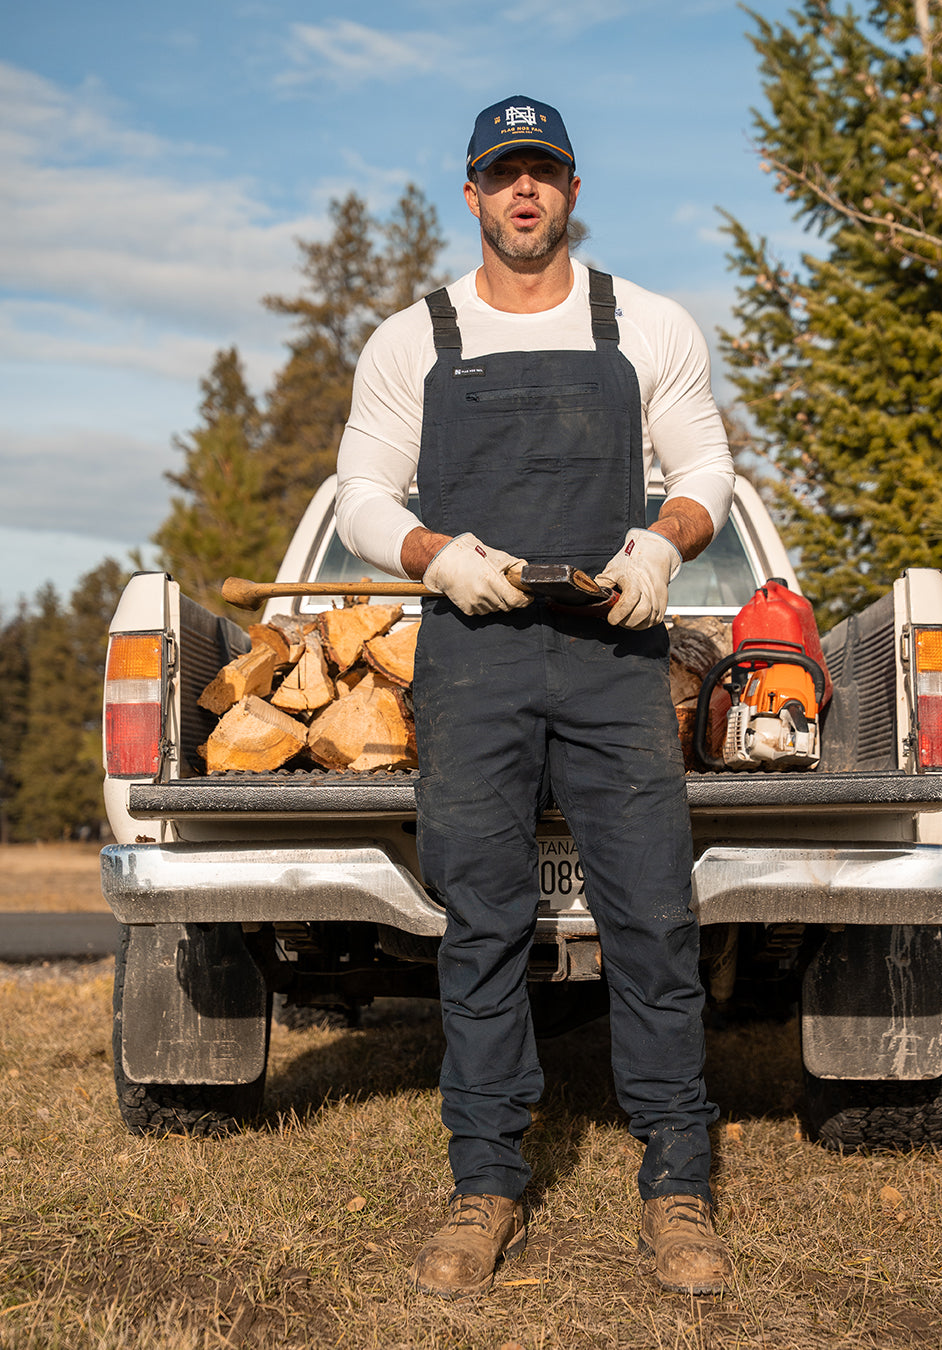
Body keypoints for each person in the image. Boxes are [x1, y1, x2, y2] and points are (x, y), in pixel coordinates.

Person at [336, 95, 736, 1299]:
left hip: (615, 658)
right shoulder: (416, 338)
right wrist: (436, 556)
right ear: (472, 193)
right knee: (485, 929)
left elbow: (706, 464)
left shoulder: (645, 325)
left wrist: (664, 547)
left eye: (543, 173)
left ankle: (677, 1185)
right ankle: (487, 1183)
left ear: (571, 188)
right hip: (476, 657)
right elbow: (361, 490)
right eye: (502, 174)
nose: (525, 192)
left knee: (655, 926)